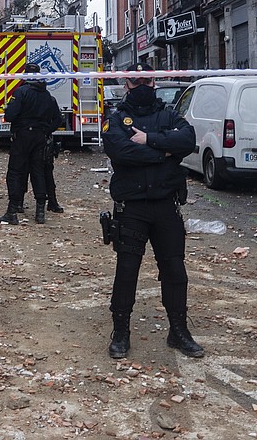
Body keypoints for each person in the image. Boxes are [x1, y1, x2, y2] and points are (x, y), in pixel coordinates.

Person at [101, 62, 202, 360]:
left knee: (174, 270)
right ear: (126, 84)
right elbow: (120, 151)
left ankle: (179, 331)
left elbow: (188, 140)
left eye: (147, 79)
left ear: (154, 82)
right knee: (127, 271)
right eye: (136, 81)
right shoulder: (117, 118)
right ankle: (120, 332)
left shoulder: (169, 114)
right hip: (132, 208)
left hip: (166, 206)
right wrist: (165, 152)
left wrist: (149, 140)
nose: (142, 85)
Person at [0, 62, 64, 225]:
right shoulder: (48, 96)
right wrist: (46, 130)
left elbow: (10, 115)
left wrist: (9, 110)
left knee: (15, 172)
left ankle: (12, 210)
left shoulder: (21, 92)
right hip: (40, 138)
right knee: (38, 172)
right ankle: (40, 212)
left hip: (22, 136)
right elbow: (58, 119)